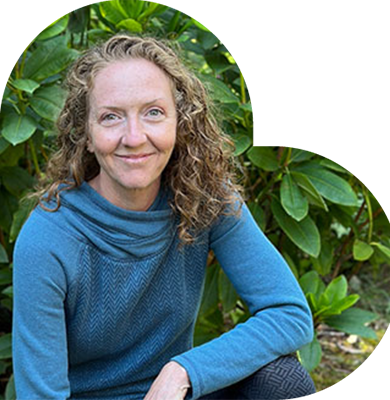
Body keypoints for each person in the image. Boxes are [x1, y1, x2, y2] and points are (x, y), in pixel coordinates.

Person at [12, 34, 316, 400]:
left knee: (281, 379)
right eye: (111, 117)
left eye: (153, 112)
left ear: (179, 122)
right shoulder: (49, 237)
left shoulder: (205, 198)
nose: (135, 137)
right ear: (87, 135)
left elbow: (289, 313)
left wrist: (185, 369)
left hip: (174, 394)